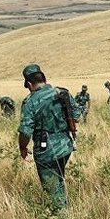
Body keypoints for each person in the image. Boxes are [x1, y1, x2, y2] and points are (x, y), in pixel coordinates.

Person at [18, 64, 79, 211]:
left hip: (47, 151)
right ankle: (64, 208)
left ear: (29, 84)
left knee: (52, 188)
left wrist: (22, 148)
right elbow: (76, 116)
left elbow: (25, 132)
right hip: (66, 146)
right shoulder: (62, 93)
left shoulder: (30, 102)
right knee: (59, 179)